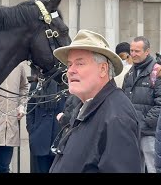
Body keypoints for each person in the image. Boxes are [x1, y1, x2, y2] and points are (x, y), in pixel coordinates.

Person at [49, 29, 143, 173]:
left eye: (79, 64)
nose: (70, 70)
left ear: (103, 69)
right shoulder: (86, 105)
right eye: (69, 64)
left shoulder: (117, 117)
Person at [122, 36, 161, 172]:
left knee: (153, 168)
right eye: (131, 50)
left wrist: (144, 123)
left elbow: (160, 105)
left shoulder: (157, 72)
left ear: (147, 51)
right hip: (132, 132)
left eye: (137, 51)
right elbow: (122, 100)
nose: (133, 54)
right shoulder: (130, 73)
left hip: (150, 133)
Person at [0, 62, 29, 173]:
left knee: (5, 167)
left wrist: (21, 105)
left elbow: (24, 87)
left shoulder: (19, 66)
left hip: (11, 126)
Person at [26, 70, 67, 173]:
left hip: (58, 137)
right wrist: (32, 130)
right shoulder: (36, 86)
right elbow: (30, 110)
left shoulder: (64, 86)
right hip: (39, 138)